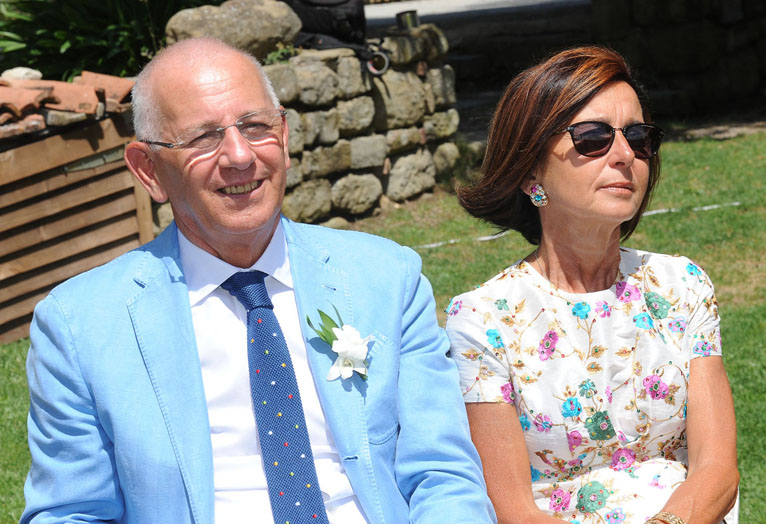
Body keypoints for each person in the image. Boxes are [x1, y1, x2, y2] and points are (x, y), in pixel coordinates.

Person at [21, 38, 495, 524]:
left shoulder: (386, 278)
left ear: (283, 137)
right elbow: (70, 513)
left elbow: (444, 474)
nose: (239, 155)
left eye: (254, 127)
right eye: (203, 137)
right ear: (149, 170)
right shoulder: (82, 325)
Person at [445, 46, 738, 524]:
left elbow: (718, 470)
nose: (624, 155)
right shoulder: (483, 319)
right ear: (530, 168)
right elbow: (513, 510)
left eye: (639, 137)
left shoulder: (682, 287)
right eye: (593, 138)